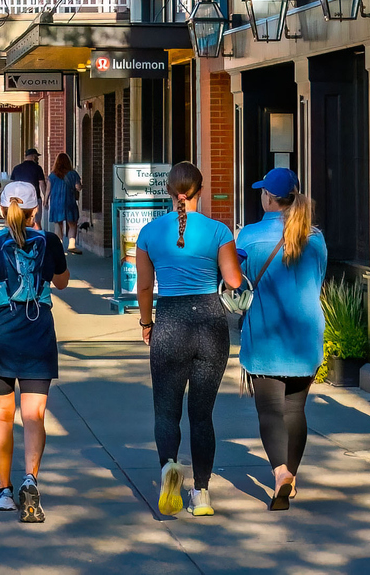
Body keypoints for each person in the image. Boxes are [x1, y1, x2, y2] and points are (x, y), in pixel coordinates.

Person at [133, 160, 243, 517]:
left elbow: (146, 286)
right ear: (201, 190)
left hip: (169, 321)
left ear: (169, 191)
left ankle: (169, 468)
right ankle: (203, 494)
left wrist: (147, 323)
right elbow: (234, 282)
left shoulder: (149, 233)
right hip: (210, 323)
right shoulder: (219, 231)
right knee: (202, 415)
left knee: (166, 410)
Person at [0, 180, 70, 522]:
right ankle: (30, 479)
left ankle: (4, 491)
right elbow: (62, 282)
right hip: (37, 336)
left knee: (3, 416)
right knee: (34, 416)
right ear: (36, 210)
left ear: (1, 210)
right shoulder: (49, 241)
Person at [236, 167, 328, 509]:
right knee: (295, 409)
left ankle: (280, 473)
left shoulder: (248, 236)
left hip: (265, 333)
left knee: (271, 410)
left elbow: (235, 280)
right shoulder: (315, 237)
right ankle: (292, 473)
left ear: (269, 198)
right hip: (306, 335)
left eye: (263, 192)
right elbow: (318, 279)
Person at [45, 153, 82, 253]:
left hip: (56, 202)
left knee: (58, 224)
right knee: (72, 224)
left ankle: (59, 246)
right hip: (69, 201)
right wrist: (80, 187)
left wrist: (45, 202)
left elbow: (48, 190)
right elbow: (78, 187)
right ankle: (71, 245)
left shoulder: (52, 175)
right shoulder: (73, 174)